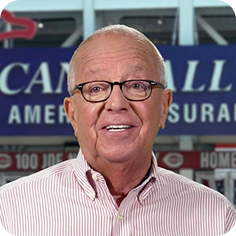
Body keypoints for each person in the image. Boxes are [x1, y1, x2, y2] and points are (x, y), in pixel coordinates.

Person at [0, 24, 235, 235]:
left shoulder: (215, 217)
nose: (116, 103)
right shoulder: (9, 212)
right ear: (72, 114)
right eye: (95, 89)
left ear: (163, 106)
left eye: (136, 85)